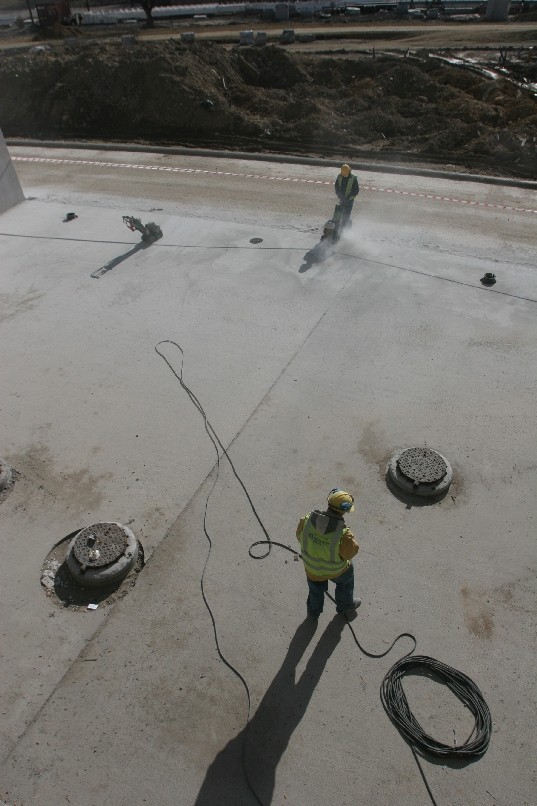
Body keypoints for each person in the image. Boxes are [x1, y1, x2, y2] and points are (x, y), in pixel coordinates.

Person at [296, 488, 361, 619]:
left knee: (315, 591)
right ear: (344, 511)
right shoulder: (344, 535)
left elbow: (299, 536)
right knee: (347, 577)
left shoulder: (307, 521)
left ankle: (313, 613)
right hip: (336, 572)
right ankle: (344, 605)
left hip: (312, 570)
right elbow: (349, 554)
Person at [334, 164, 359, 229]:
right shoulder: (339, 176)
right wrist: (340, 195)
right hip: (342, 198)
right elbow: (337, 187)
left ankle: (343, 229)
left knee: (346, 215)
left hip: (349, 200)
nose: (344, 176)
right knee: (338, 212)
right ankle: (336, 224)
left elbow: (356, 190)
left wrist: (349, 198)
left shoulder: (353, 178)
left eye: (345, 175)